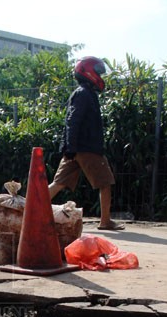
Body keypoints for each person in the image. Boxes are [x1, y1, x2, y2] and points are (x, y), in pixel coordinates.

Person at [47, 56, 124, 231]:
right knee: (105, 183)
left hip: (75, 148)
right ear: (88, 73)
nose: (100, 77)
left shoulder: (83, 93)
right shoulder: (84, 94)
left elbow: (71, 121)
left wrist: (69, 147)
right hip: (88, 148)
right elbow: (73, 120)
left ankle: (29, 211)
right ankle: (105, 221)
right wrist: (71, 146)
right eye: (98, 72)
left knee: (58, 183)